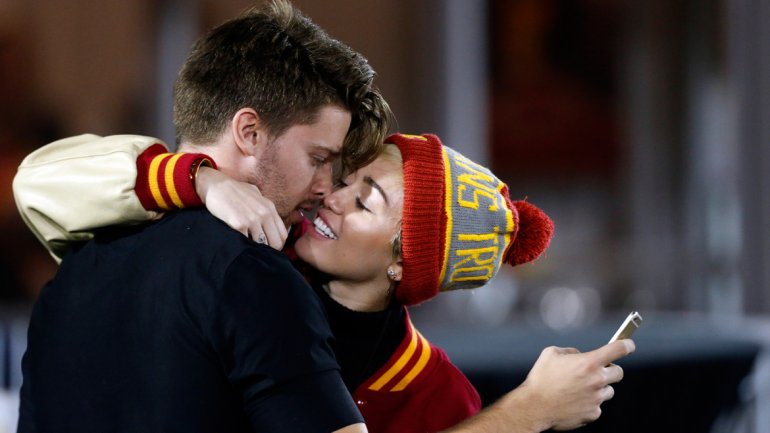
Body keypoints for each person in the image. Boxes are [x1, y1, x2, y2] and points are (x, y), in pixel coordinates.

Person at [15, 130, 635, 433]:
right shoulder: (248, 257)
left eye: (364, 202)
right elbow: (38, 182)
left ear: (404, 265)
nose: (329, 197)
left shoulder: (435, 394)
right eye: (342, 177)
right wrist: (202, 179)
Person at [14, 1, 392, 432]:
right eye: (318, 158)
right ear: (249, 133)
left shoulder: (73, 270)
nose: (326, 186)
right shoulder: (254, 277)